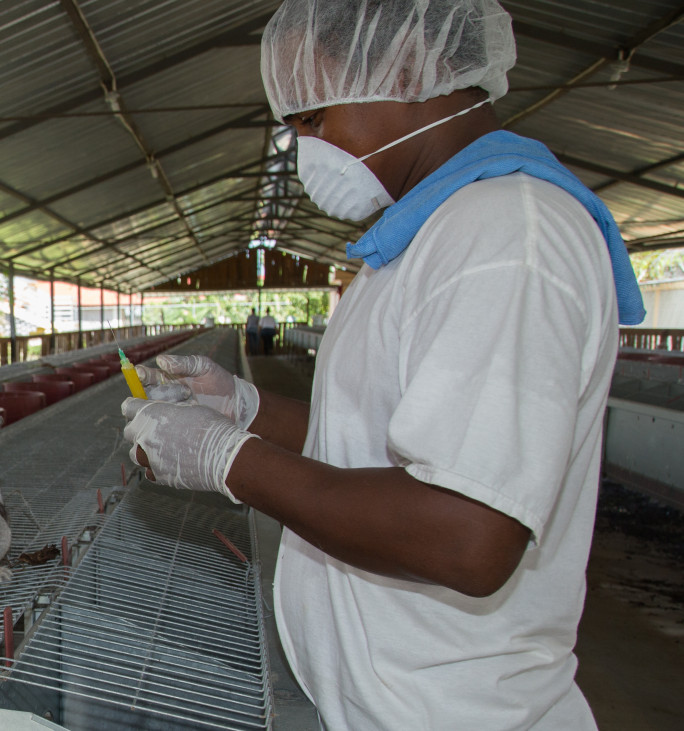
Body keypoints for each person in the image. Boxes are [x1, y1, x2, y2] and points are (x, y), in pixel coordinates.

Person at [120, 1, 645, 728]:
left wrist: (230, 460)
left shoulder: (504, 236)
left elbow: (467, 534)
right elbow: (381, 437)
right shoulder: (419, 237)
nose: (305, 148)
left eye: (314, 117)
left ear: (405, 69)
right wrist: (248, 410)